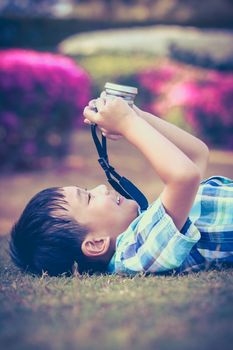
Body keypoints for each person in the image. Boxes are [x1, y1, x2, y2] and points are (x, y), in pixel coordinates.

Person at [9, 96, 233, 276]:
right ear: (96, 243)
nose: (100, 188)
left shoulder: (147, 225)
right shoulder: (134, 253)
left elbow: (196, 155)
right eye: (87, 197)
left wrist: (137, 116)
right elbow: (184, 176)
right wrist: (127, 124)